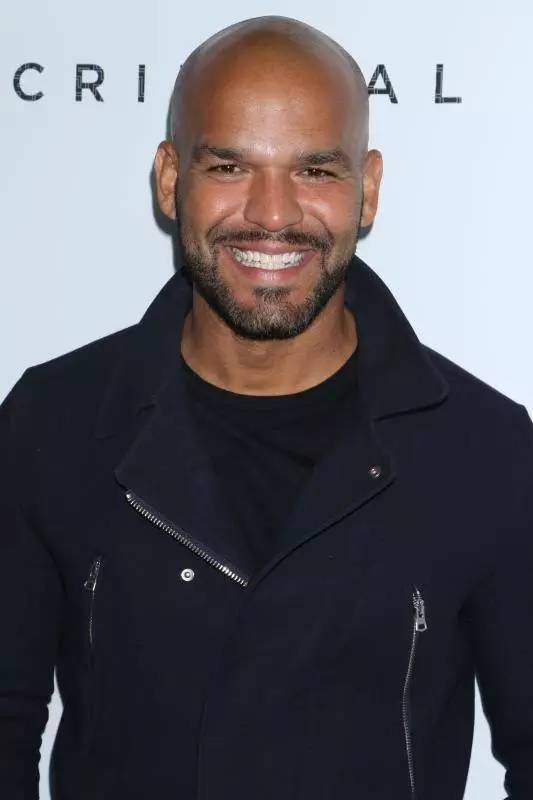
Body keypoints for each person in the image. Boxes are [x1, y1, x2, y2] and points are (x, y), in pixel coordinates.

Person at [1, 14, 532, 800]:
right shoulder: (54, 423)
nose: (273, 214)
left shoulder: (483, 449)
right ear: (169, 179)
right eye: (229, 166)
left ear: (367, 188)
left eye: (314, 170)